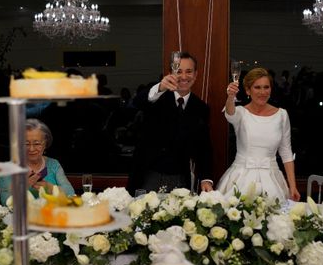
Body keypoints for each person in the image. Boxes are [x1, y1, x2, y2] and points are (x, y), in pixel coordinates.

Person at [129, 52, 214, 193]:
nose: (184, 77)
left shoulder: (201, 108)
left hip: (180, 177)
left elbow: (203, 147)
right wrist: (161, 87)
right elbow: (138, 102)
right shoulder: (157, 95)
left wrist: (206, 178)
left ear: (196, 74)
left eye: (189, 71)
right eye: (179, 71)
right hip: (148, 175)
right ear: (170, 73)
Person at [217, 67, 301, 203]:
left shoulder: (282, 115)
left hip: (272, 178)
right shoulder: (240, 113)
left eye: (266, 87)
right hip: (241, 177)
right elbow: (229, 113)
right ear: (248, 90)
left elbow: (286, 152)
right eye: (257, 87)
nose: (263, 92)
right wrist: (231, 96)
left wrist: (293, 186)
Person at [0, 119, 74, 204]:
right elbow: (5, 202)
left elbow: (71, 194)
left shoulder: (53, 164)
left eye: (37, 143)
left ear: (45, 144)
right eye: (26, 144)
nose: (31, 149)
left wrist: (51, 188)